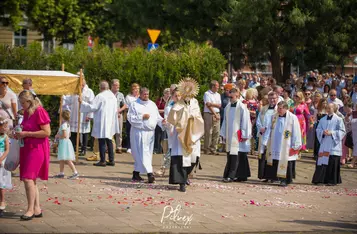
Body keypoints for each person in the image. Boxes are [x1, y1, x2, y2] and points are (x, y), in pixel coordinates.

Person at [16, 90, 51, 220]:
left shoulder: (40, 111)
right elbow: (26, 128)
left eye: (22, 102)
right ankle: (37, 209)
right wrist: (18, 133)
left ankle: (30, 209)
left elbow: (47, 132)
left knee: (28, 178)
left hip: (37, 148)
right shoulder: (26, 112)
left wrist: (26, 134)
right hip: (27, 147)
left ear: (29, 101)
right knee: (31, 179)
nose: (21, 105)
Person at [167, 80, 204, 191]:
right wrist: (183, 115)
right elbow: (172, 117)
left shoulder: (195, 102)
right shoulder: (178, 104)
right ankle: (181, 183)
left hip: (193, 133)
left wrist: (192, 116)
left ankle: (186, 176)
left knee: (193, 158)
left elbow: (198, 116)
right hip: (181, 135)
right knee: (181, 159)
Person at [127, 87, 165, 183]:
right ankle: (150, 173)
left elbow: (157, 117)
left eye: (147, 94)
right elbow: (130, 118)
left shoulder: (152, 104)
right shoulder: (134, 104)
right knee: (143, 153)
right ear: (140, 94)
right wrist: (141, 117)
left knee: (145, 154)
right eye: (144, 94)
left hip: (150, 134)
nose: (146, 96)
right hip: (139, 132)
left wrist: (163, 122)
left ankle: (136, 173)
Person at [79, 81, 120, 167]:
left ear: (100, 88)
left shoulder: (100, 96)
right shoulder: (112, 96)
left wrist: (82, 102)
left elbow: (93, 107)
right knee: (109, 139)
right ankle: (111, 159)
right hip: (110, 121)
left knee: (101, 139)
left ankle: (102, 160)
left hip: (102, 121)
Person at [262, 101, 302, 187]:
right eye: (278, 108)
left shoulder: (292, 118)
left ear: (286, 108)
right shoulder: (274, 117)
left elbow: (296, 131)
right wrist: (265, 141)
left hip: (287, 143)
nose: (279, 110)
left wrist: (296, 145)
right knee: (275, 159)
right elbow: (269, 129)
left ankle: (285, 180)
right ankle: (275, 178)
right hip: (275, 143)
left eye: (280, 108)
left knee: (286, 160)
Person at [220, 88, 252, 182]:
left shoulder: (242, 107)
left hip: (238, 135)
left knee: (237, 155)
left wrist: (245, 134)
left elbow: (246, 121)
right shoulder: (228, 107)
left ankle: (232, 175)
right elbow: (225, 121)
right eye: (229, 96)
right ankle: (239, 175)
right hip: (230, 135)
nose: (230, 98)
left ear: (237, 95)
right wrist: (223, 134)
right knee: (231, 154)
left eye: (232, 96)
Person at [312, 103, 345, 185]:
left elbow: (342, 131)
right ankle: (320, 179)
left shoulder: (338, 119)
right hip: (324, 144)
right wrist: (322, 132)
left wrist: (332, 133)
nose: (328, 109)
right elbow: (318, 129)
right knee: (322, 160)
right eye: (327, 107)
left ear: (334, 109)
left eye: (330, 108)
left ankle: (331, 180)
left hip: (333, 145)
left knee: (331, 161)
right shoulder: (322, 119)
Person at [63, 78, 95, 158]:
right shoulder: (74, 91)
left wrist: (89, 115)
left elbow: (92, 104)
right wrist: (63, 96)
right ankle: (73, 148)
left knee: (84, 132)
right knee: (73, 132)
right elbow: (69, 100)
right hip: (75, 114)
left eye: (82, 84)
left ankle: (83, 149)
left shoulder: (89, 91)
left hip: (84, 114)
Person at [256, 91, 278, 180]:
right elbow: (258, 120)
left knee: (271, 155)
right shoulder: (264, 108)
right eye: (270, 98)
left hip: (273, 135)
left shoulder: (279, 109)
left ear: (277, 99)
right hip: (264, 134)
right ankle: (264, 175)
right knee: (264, 154)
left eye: (274, 98)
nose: (272, 100)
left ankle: (272, 176)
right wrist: (260, 127)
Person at [53, 110, 79, 179]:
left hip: (64, 143)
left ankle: (75, 172)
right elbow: (69, 134)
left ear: (62, 117)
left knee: (67, 159)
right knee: (62, 158)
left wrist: (58, 136)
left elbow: (64, 135)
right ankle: (61, 173)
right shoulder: (67, 125)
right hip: (66, 142)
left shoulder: (64, 125)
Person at [203, 80, 221, 155]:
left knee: (216, 132)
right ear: (213, 86)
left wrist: (212, 104)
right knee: (208, 132)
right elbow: (207, 105)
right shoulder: (207, 94)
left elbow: (219, 105)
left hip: (217, 113)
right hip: (209, 114)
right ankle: (206, 148)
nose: (218, 87)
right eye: (217, 86)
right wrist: (215, 113)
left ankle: (213, 148)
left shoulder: (218, 94)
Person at [111, 79, 127, 154]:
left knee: (119, 131)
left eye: (118, 85)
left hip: (118, 115)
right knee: (110, 131)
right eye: (116, 85)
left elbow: (125, 105)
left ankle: (118, 147)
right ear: (112, 86)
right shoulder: (108, 94)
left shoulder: (121, 94)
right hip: (110, 115)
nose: (118, 87)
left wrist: (120, 110)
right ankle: (110, 147)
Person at [125, 83, 140, 154]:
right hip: (131, 117)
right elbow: (127, 107)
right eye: (135, 89)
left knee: (138, 133)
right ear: (132, 89)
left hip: (139, 118)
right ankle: (129, 147)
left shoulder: (141, 97)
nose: (136, 90)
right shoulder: (128, 97)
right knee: (129, 132)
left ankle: (137, 147)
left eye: (138, 89)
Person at [0, 118, 11, 217]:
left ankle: (2, 202)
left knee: (1, 182)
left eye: (6, 127)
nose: (5, 129)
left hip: (1, 159)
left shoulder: (5, 137)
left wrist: (1, 159)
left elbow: (7, 150)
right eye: (3, 127)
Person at [154, 88, 170, 154]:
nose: (168, 95)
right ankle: (156, 149)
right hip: (159, 119)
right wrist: (164, 110)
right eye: (167, 93)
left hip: (167, 120)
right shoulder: (160, 100)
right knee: (158, 135)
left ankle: (164, 149)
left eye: (169, 94)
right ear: (164, 93)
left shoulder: (171, 101)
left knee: (165, 136)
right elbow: (156, 109)